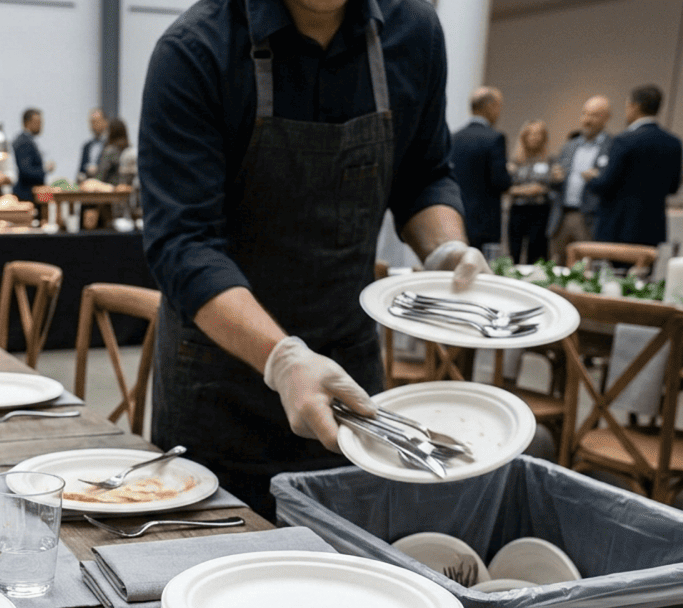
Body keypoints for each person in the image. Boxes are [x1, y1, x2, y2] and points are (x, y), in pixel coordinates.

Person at [139, 0, 483, 518]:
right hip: (219, 384)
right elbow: (185, 244)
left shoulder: (414, 33)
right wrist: (284, 360)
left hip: (349, 376)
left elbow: (423, 174)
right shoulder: (195, 50)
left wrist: (444, 247)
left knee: (351, 573)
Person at [590, 84, 683, 248]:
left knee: (614, 273)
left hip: (619, 227)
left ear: (635, 106)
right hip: (653, 227)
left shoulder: (624, 140)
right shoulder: (673, 143)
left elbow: (606, 184)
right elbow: (673, 187)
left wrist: (592, 178)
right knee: (644, 272)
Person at [546, 95, 612, 263]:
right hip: (562, 216)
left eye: (594, 115)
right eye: (585, 114)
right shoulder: (570, 146)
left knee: (586, 266)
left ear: (606, 118)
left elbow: (614, 183)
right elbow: (553, 183)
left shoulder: (612, 146)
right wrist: (554, 178)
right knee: (555, 265)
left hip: (589, 218)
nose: (587, 120)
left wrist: (599, 178)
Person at [450, 86, 512, 250]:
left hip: (456, 218)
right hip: (484, 221)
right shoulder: (495, 138)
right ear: (491, 106)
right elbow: (500, 181)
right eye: (499, 106)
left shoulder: (454, 137)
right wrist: (509, 174)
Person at [506, 120, 553, 263]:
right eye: (531, 133)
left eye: (538, 134)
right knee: (514, 251)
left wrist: (525, 189)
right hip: (518, 211)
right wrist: (528, 190)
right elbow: (506, 187)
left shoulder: (550, 160)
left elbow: (549, 186)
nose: (534, 137)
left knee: (536, 251)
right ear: (524, 136)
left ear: (544, 137)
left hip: (540, 212)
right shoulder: (514, 162)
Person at [12, 108, 48, 204]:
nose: (41, 125)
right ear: (28, 122)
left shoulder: (26, 140)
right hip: (27, 194)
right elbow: (26, 170)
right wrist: (45, 170)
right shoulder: (24, 142)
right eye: (38, 122)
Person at [77, 107, 107, 182]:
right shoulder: (86, 146)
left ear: (105, 122)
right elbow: (81, 170)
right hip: (88, 187)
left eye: (96, 122)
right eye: (91, 122)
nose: (93, 125)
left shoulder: (110, 144)